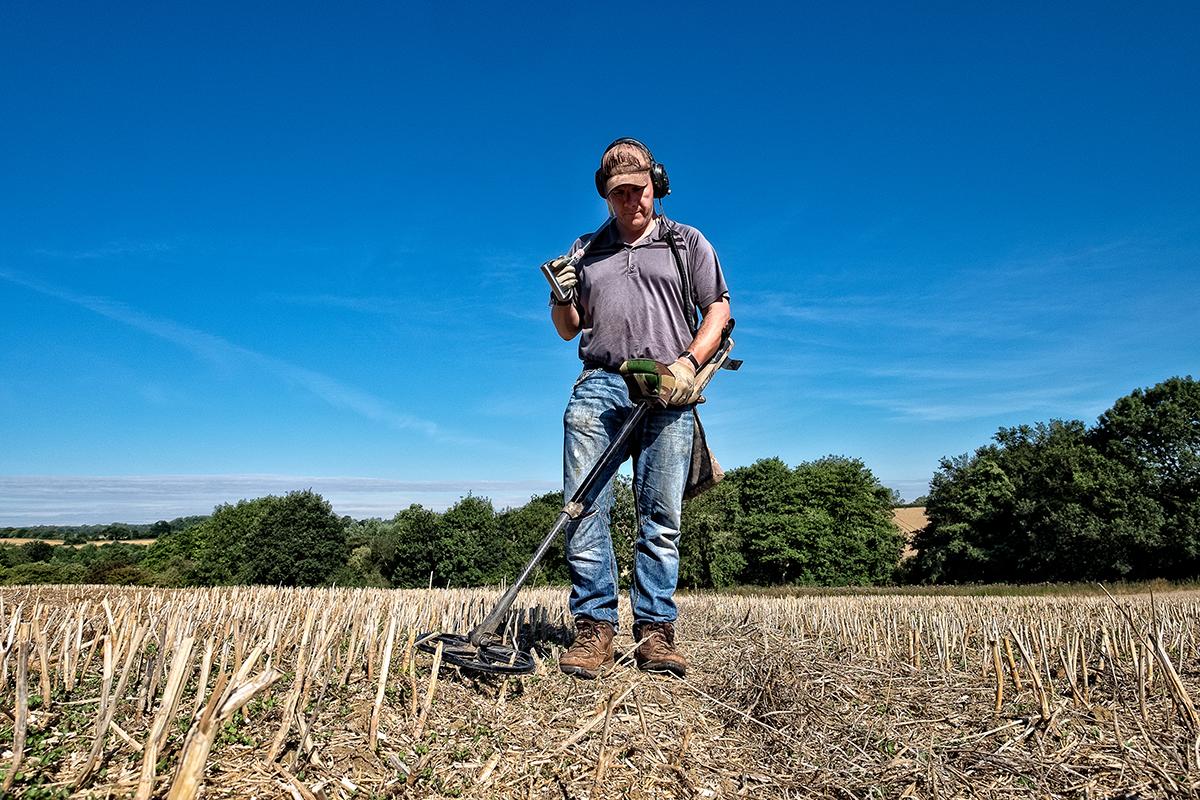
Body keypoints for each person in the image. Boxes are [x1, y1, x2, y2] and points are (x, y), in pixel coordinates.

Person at [544, 138, 732, 679]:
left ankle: (654, 629)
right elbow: (568, 330)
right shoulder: (584, 249)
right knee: (582, 506)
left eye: (640, 190)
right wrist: (562, 297)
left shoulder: (686, 242)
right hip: (601, 382)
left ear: (657, 185)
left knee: (660, 515)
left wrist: (687, 365)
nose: (632, 202)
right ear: (606, 195)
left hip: (668, 383)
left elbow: (718, 309)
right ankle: (594, 628)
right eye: (620, 192)